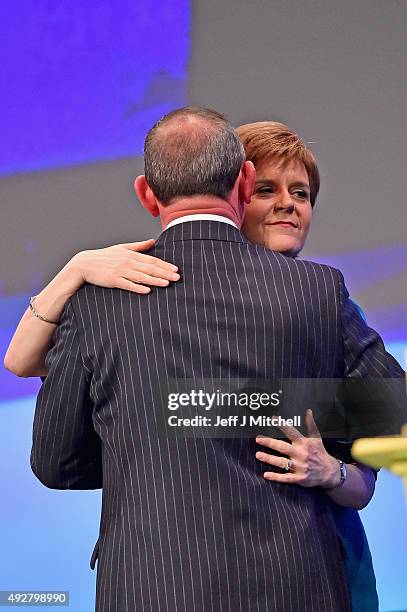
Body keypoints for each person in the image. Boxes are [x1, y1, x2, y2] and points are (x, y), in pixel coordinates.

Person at [5, 115, 404, 611]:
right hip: (293, 583)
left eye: (301, 194)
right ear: (239, 188)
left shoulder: (106, 299)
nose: (286, 205)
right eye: (265, 189)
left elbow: (56, 461)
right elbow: (392, 413)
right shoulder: (316, 292)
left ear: (148, 195)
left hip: (154, 584)